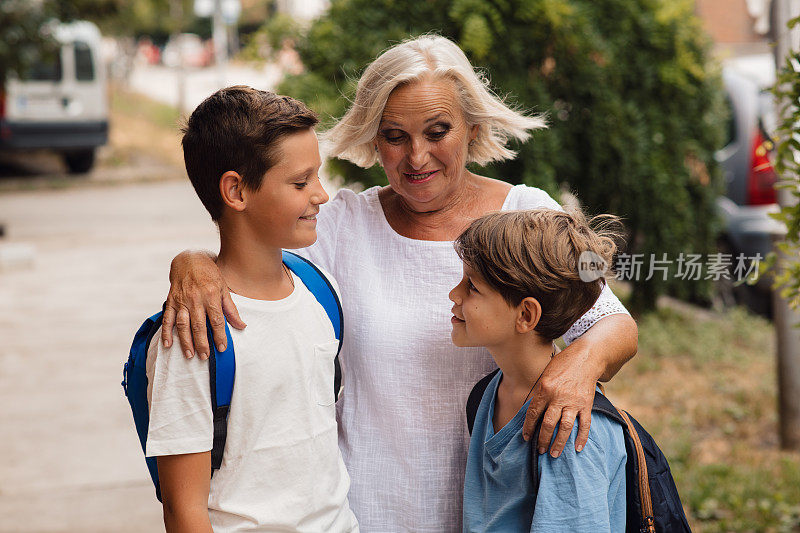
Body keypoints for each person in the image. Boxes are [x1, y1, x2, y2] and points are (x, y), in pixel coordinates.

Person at [161, 35, 638, 530]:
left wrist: (582, 363)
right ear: (372, 136)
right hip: (362, 517)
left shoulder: (530, 215)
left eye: (438, 131)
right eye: (394, 135)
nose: (416, 157)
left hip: (501, 515)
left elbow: (615, 323)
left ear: (471, 127)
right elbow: (248, 248)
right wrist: (192, 261)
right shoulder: (341, 225)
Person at [144, 86, 359, 532]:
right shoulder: (193, 332)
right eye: (301, 182)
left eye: (317, 176)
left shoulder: (322, 293)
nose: (321, 195)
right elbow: (183, 511)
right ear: (236, 191)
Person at [451, 209, 627, 532]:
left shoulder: (567, 430)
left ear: (526, 315)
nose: (455, 294)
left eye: (472, 287)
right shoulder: (490, 393)